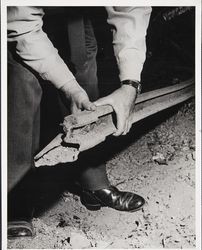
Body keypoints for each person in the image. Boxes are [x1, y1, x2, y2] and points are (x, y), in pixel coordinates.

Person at [7, 6, 151, 238]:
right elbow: (22, 27)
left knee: (81, 54)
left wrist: (130, 83)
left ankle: (93, 181)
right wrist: (67, 86)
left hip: (67, 10)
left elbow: (131, 8)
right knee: (21, 79)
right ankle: (14, 197)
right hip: (20, 17)